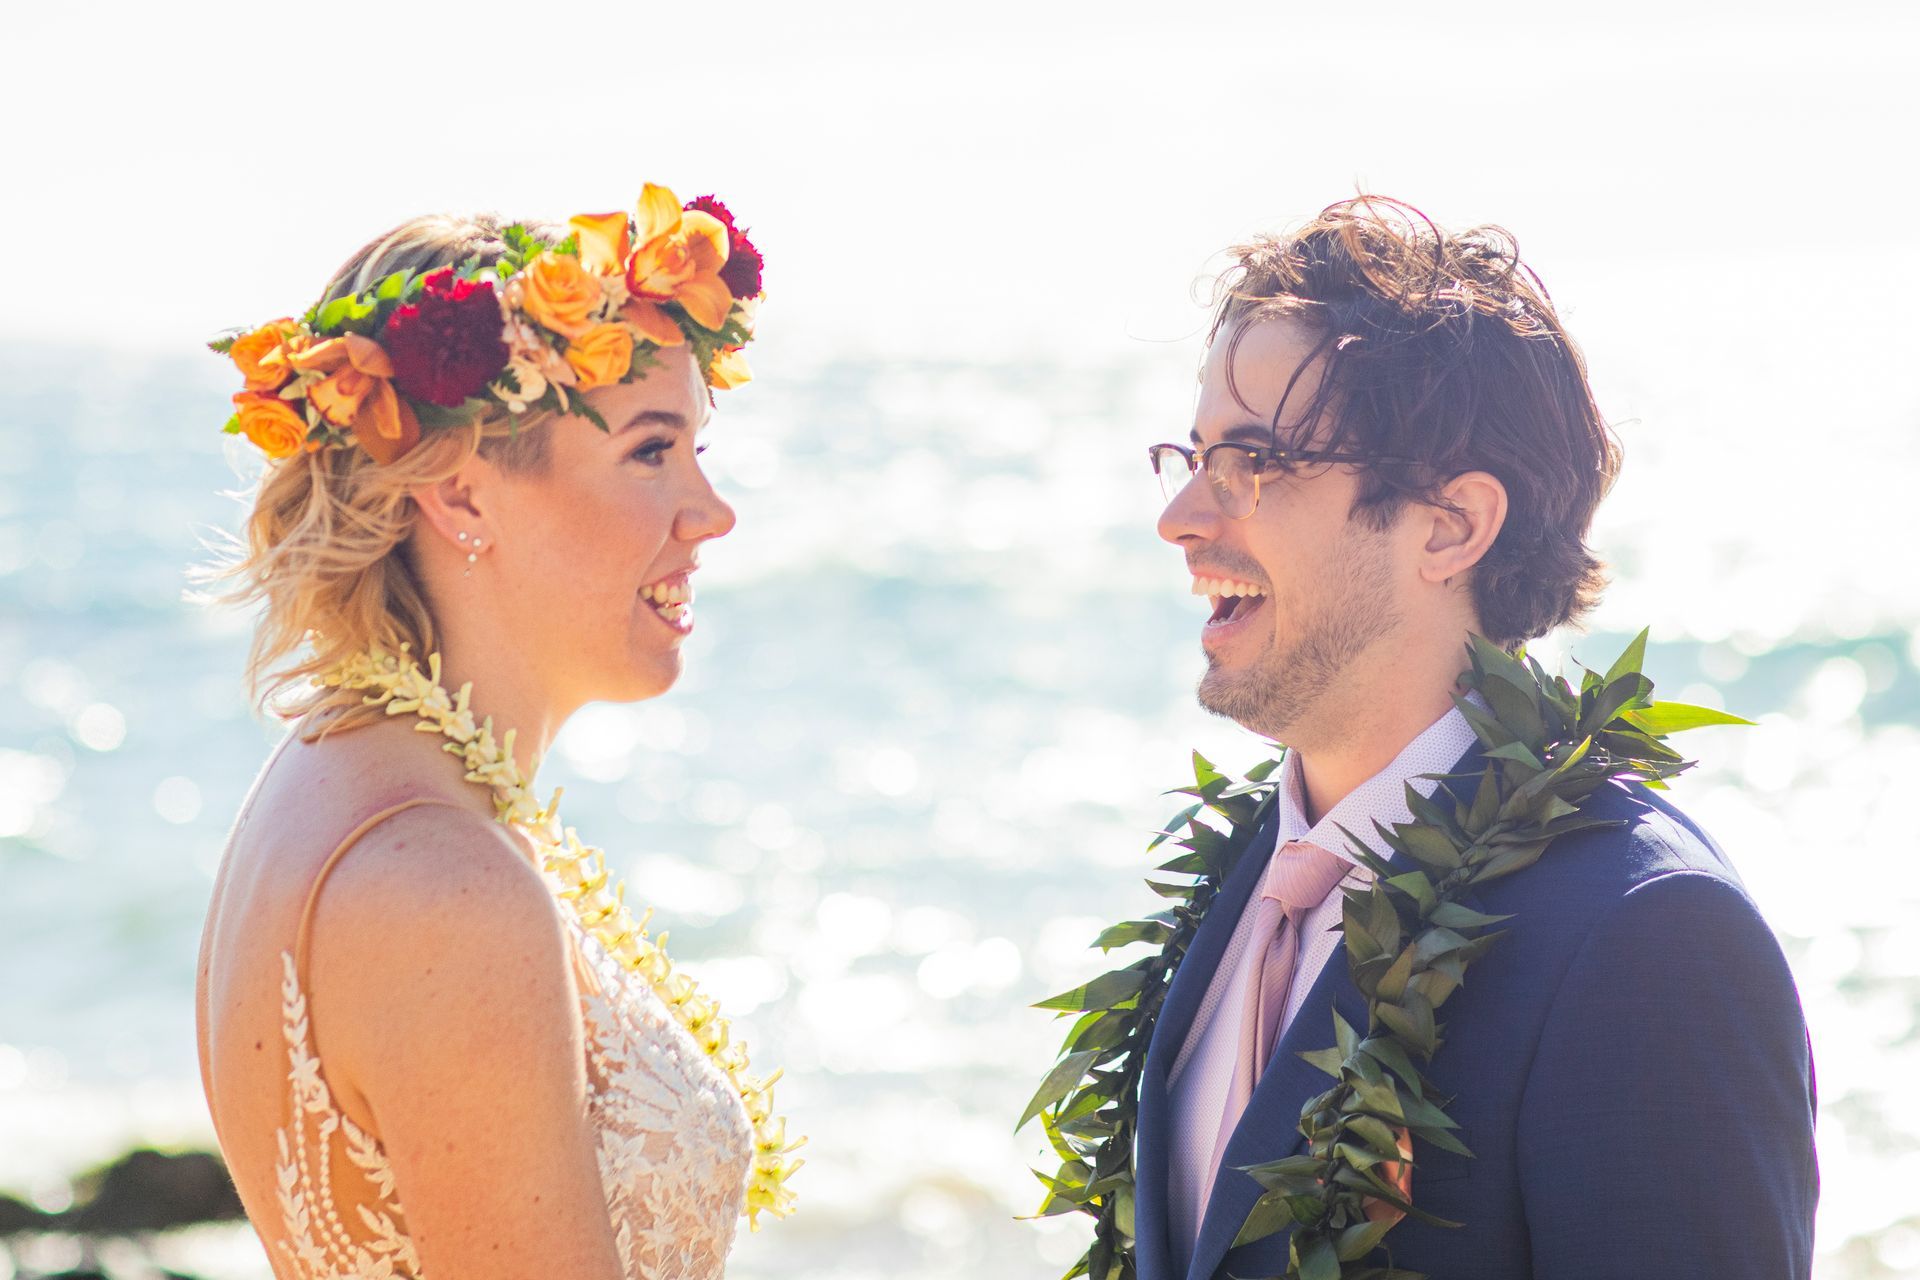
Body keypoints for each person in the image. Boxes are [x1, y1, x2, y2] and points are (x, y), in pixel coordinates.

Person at [1128, 197, 1817, 1279]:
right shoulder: (1252, 881)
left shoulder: (1649, 939)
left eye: (1255, 460)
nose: (1182, 518)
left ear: (1450, 525)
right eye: (1197, 453)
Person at [193, 184, 797, 1280]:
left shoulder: (337, 775)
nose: (711, 510)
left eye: (699, 449)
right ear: (462, 498)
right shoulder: (442, 884)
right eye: (653, 451)